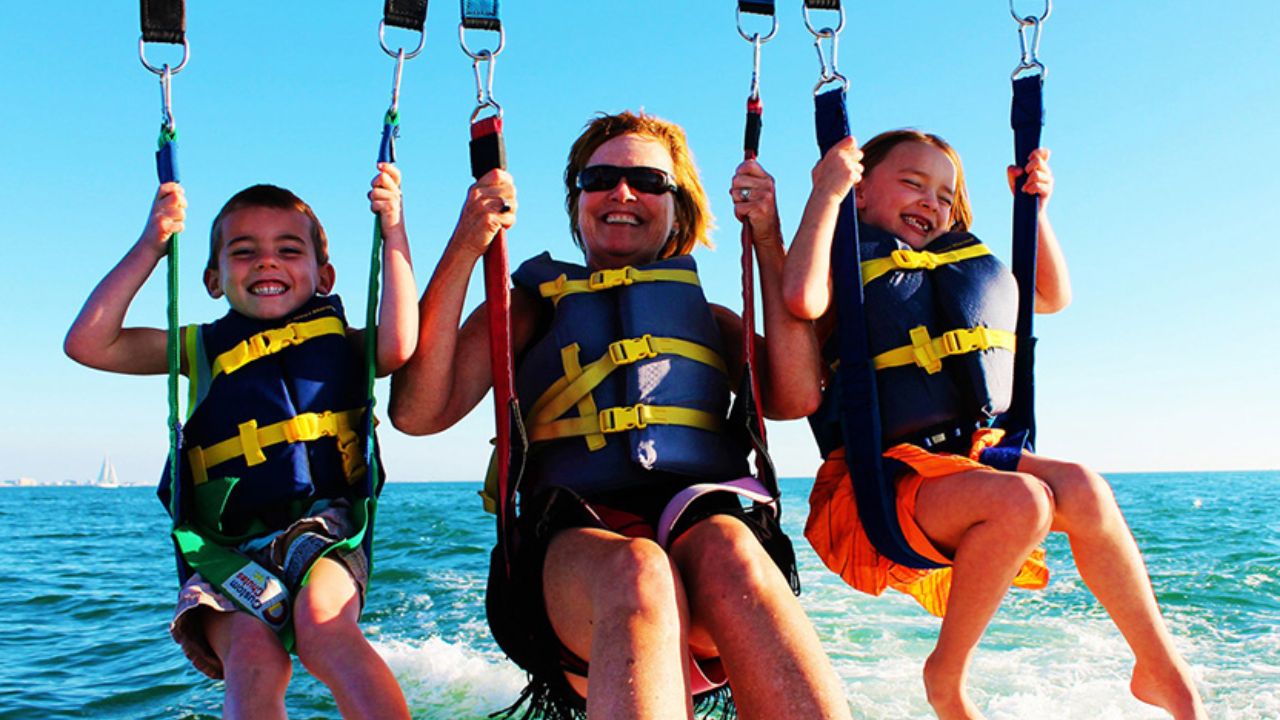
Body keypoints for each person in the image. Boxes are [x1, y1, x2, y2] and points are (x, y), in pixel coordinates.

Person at [390, 111, 851, 720]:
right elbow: (418, 414)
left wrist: (766, 235)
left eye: (649, 181)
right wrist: (469, 242)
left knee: (731, 549)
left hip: (704, 542)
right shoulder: (526, 312)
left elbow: (796, 396)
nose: (623, 192)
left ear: (678, 206)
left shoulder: (708, 321)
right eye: (600, 178)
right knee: (638, 571)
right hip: (573, 561)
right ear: (577, 200)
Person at [782, 130, 1207, 720]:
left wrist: (1038, 213)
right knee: (1023, 503)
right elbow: (799, 299)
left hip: (972, 457)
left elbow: (1051, 296)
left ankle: (1161, 669)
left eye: (945, 194)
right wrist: (824, 195)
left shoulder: (957, 260)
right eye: (912, 183)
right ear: (858, 191)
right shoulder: (842, 262)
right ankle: (946, 678)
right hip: (884, 482)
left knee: (1085, 487)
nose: (932, 201)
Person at [64, 165, 417, 720]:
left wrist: (393, 229)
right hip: (222, 548)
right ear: (213, 280)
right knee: (253, 662)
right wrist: (151, 246)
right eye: (244, 252)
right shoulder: (198, 348)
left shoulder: (345, 345)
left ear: (324, 276)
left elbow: (398, 346)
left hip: (322, 528)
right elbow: (89, 343)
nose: (267, 262)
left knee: (325, 629)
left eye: (288, 250)